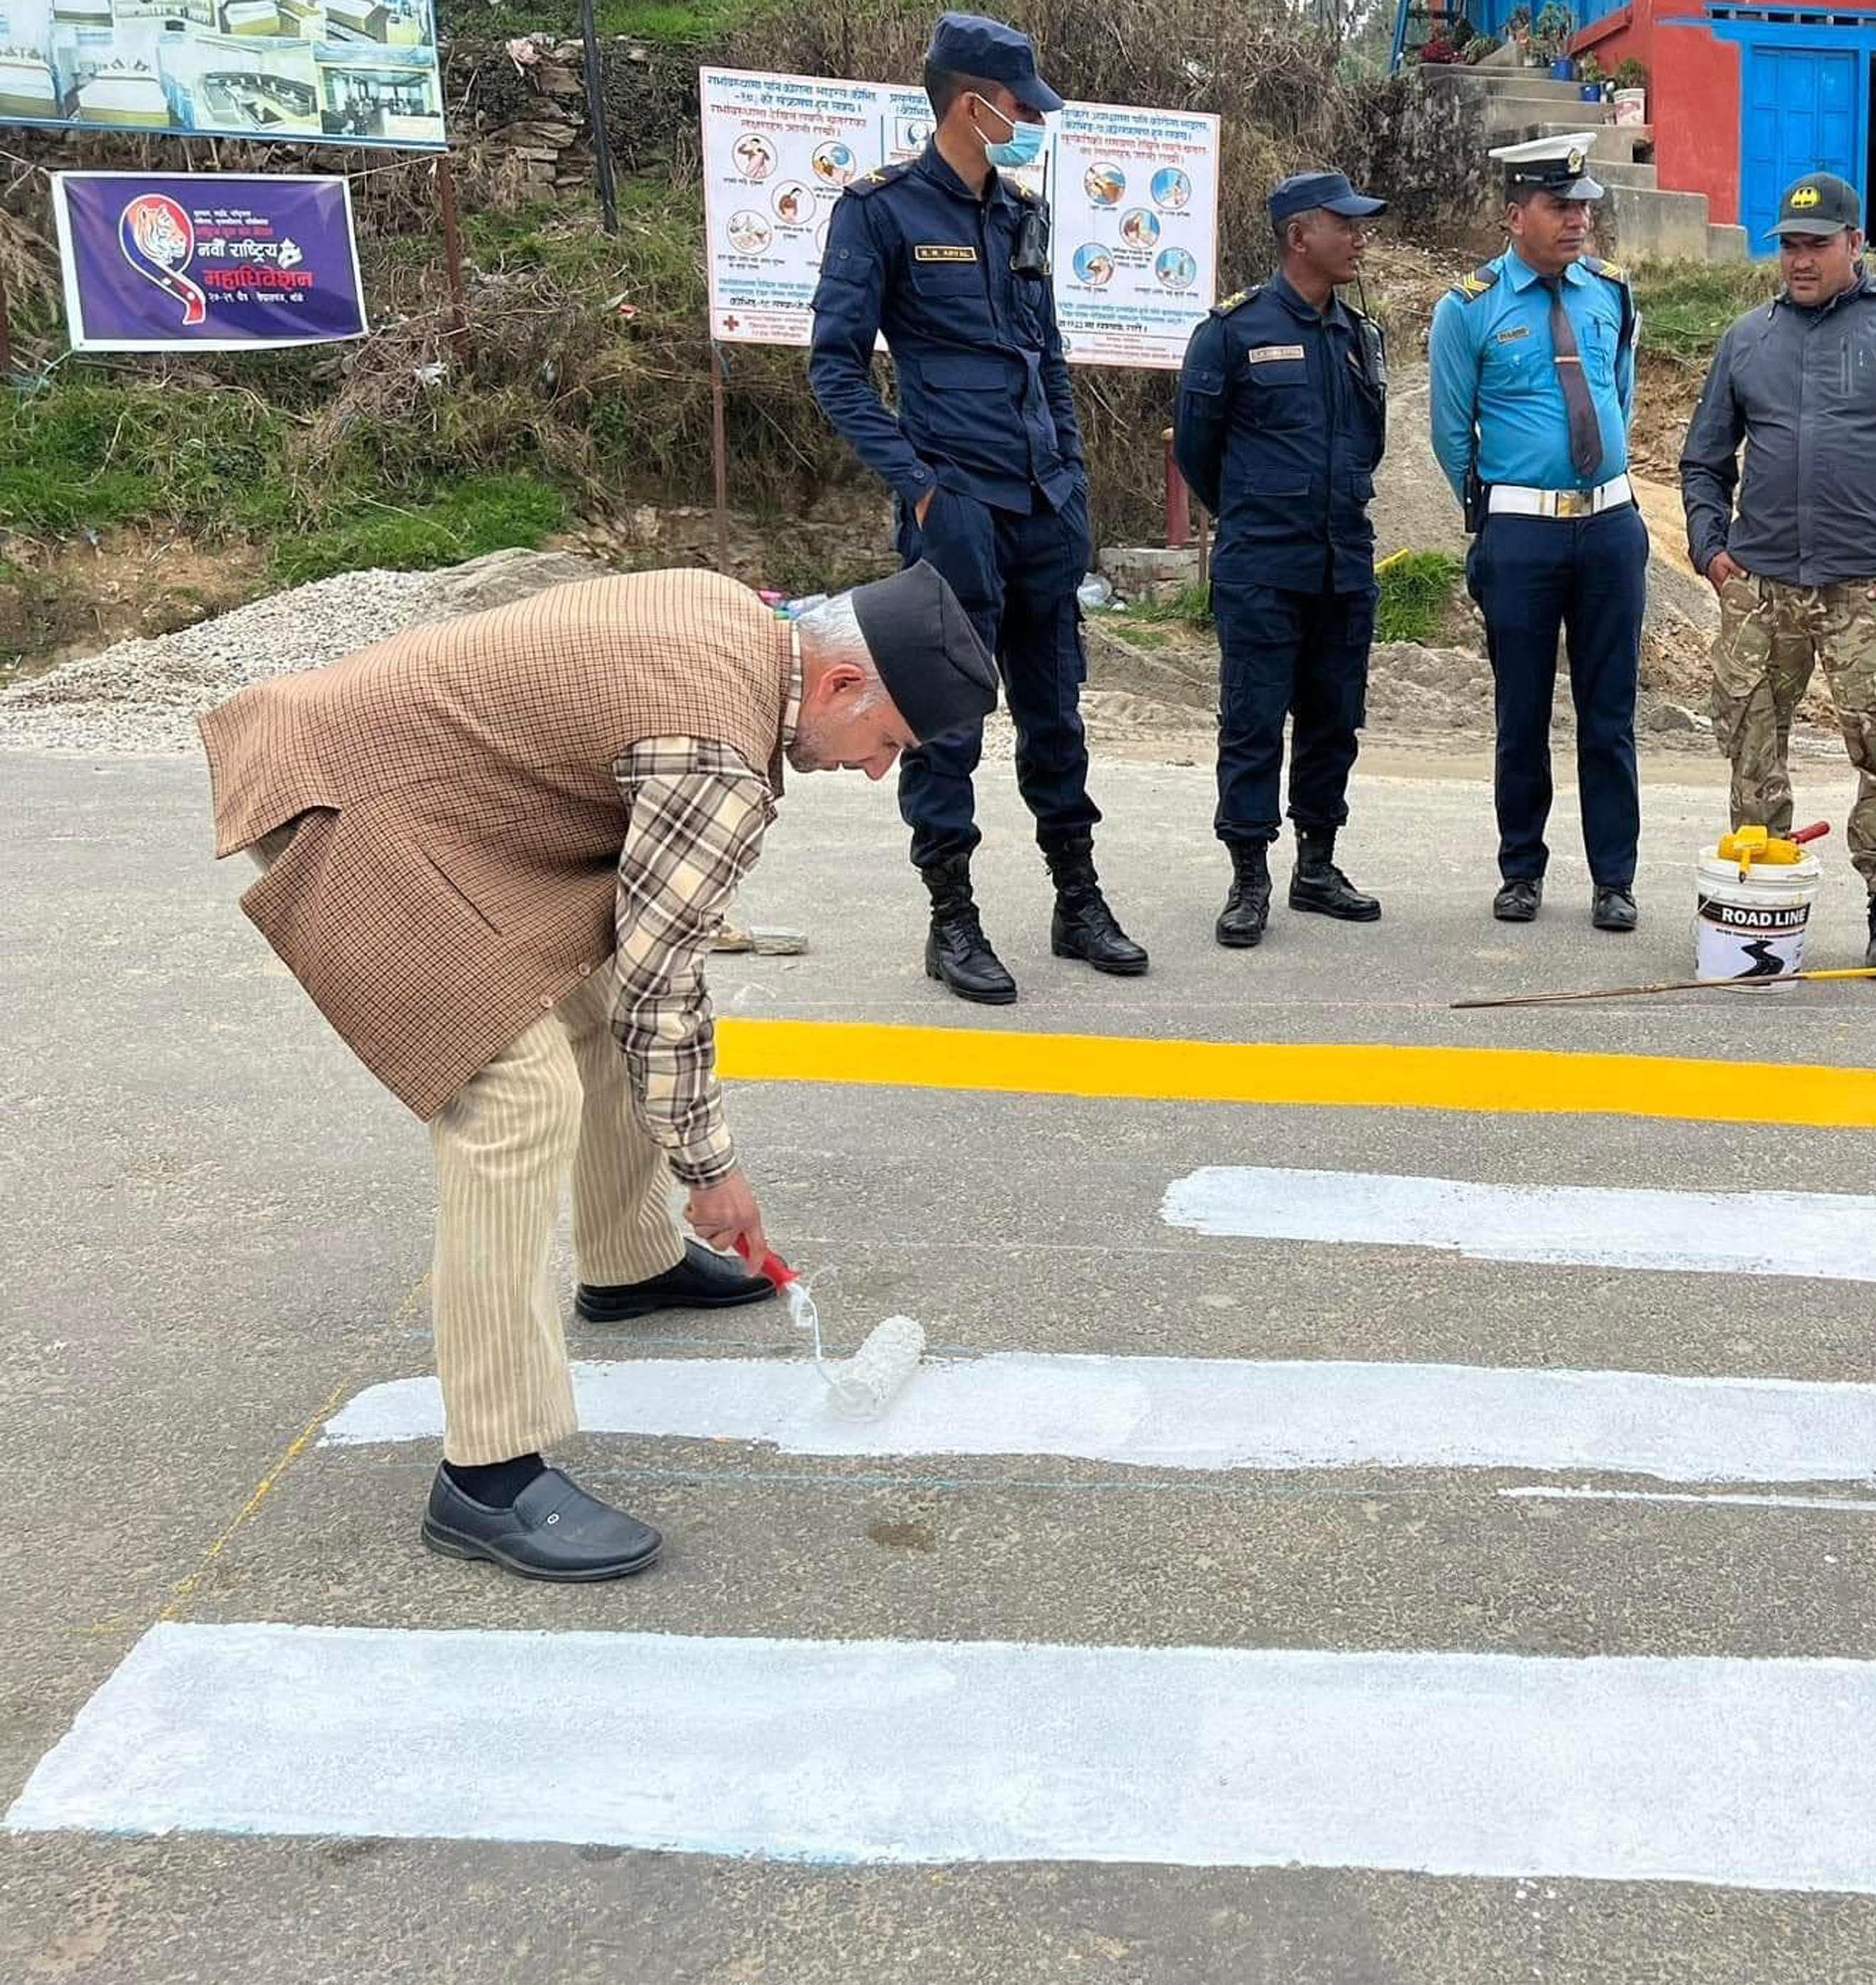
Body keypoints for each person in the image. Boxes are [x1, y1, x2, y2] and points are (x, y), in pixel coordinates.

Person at [200, 565, 996, 1581]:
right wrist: (714, 1173)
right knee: (512, 1092)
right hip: (350, 799)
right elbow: (669, 990)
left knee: (604, 972)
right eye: (889, 744)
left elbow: (642, 957)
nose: (880, 772)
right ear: (842, 684)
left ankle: (627, 1261)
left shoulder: (744, 618)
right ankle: (486, 1473)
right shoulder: (716, 755)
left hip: (386, 768)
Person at [807, 11, 1146, 1004]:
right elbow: (835, 371)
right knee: (945, 719)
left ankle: (1076, 898)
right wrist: (918, 486)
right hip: (955, 506)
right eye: (1019, 107)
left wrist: (1074, 483)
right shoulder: (880, 213)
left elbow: (1048, 359)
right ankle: (951, 918)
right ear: (972, 105)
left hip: (1042, 502)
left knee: (1057, 715)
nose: (1029, 121)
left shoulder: (1019, 213)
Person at [1678, 172, 1876, 968]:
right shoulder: (1748, 338)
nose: (1799, 262)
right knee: (1749, 748)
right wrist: (1713, 555)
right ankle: (1758, 899)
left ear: (1854, 244)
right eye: (1788, 247)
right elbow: (1702, 462)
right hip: (1760, 589)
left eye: (1816, 245)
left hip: (1866, 589)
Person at [1430, 135, 1645, 932]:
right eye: (1559, 207)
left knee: (1610, 714)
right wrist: (1488, 521)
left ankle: (1612, 879)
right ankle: (1520, 870)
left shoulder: (1611, 295)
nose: (1577, 221)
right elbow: (1452, 433)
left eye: (1583, 206)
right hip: (1521, 534)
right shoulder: (1469, 306)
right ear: (1514, 213)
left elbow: (1615, 394)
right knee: (1521, 712)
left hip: (1610, 529)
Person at [1175, 169, 1392, 948]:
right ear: (1300, 236)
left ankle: (1316, 865)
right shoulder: (1230, 333)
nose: (1360, 237)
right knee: (1253, 722)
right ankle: (1247, 875)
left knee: (1335, 720)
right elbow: (1199, 454)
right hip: (1263, 567)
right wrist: (1263, 512)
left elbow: (1369, 441)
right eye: (1346, 225)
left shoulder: (1358, 335)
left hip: (1343, 563)